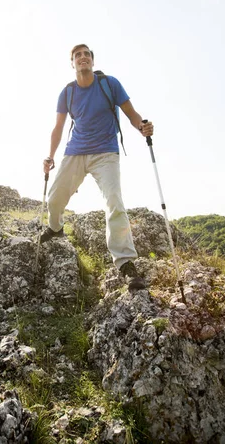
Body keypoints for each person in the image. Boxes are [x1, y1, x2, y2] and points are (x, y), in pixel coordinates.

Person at [40, 44, 154, 291]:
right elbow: (58, 128)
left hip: (105, 153)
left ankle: (125, 262)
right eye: (78, 55)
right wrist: (50, 156)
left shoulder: (109, 84)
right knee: (55, 199)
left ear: (92, 61)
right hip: (75, 151)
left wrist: (142, 126)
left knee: (114, 200)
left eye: (87, 54)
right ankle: (56, 228)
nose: (83, 58)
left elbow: (131, 114)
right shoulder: (67, 93)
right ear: (72, 63)